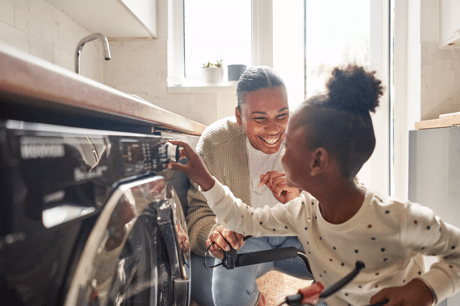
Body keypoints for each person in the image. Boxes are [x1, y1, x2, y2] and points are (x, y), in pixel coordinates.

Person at [169, 65, 460, 306]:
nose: (277, 134)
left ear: (318, 160)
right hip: (258, 247)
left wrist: (426, 289)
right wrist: (206, 183)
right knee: (216, 277)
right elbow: (240, 218)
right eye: (260, 118)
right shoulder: (302, 212)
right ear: (239, 117)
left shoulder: (393, 217)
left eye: (288, 140)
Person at [186, 66, 313, 306]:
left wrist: (301, 198)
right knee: (221, 280)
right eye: (260, 118)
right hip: (247, 243)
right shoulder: (215, 143)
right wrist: (218, 233)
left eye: (282, 115)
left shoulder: (309, 138)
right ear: (239, 117)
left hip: (300, 240)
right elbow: (198, 213)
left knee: (357, 258)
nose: (274, 128)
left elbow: (346, 199)